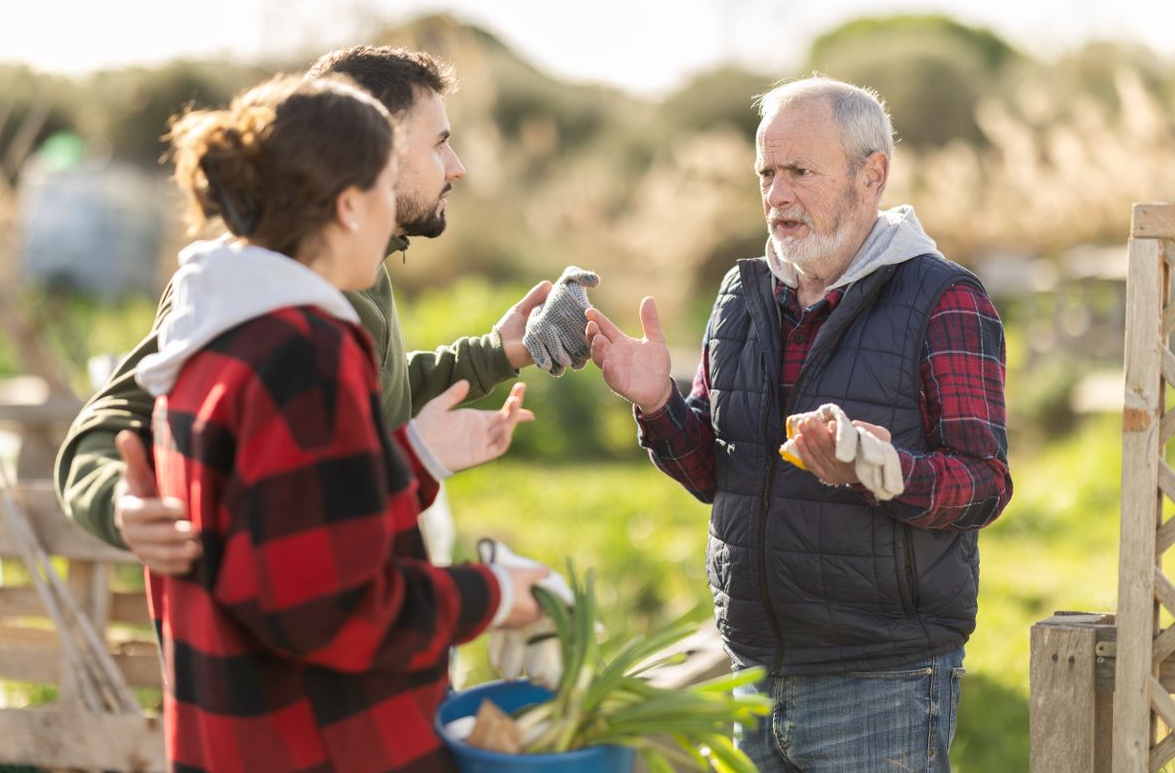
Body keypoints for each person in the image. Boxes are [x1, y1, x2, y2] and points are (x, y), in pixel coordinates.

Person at [585, 76, 1011, 772]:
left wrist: (885, 471)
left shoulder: (944, 298)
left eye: (800, 172)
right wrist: (658, 401)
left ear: (871, 175)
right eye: (766, 173)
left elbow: (986, 484)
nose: (777, 194)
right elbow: (720, 473)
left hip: (881, 684)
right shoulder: (741, 294)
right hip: (749, 674)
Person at [145, 72, 547, 772]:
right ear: (351, 205)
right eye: (388, 191)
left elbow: (273, 540)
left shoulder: (207, 336)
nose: (396, 213)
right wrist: (493, 594)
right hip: (315, 743)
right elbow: (331, 609)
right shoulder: (308, 350)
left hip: (225, 739)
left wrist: (412, 459)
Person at [55, 46, 556, 574]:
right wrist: (120, 504)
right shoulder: (237, 288)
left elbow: (375, 404)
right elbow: (108, 427)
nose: (456, 169)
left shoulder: (361, 269)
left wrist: (496, 354)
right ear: (371, 148)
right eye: (440, 145)